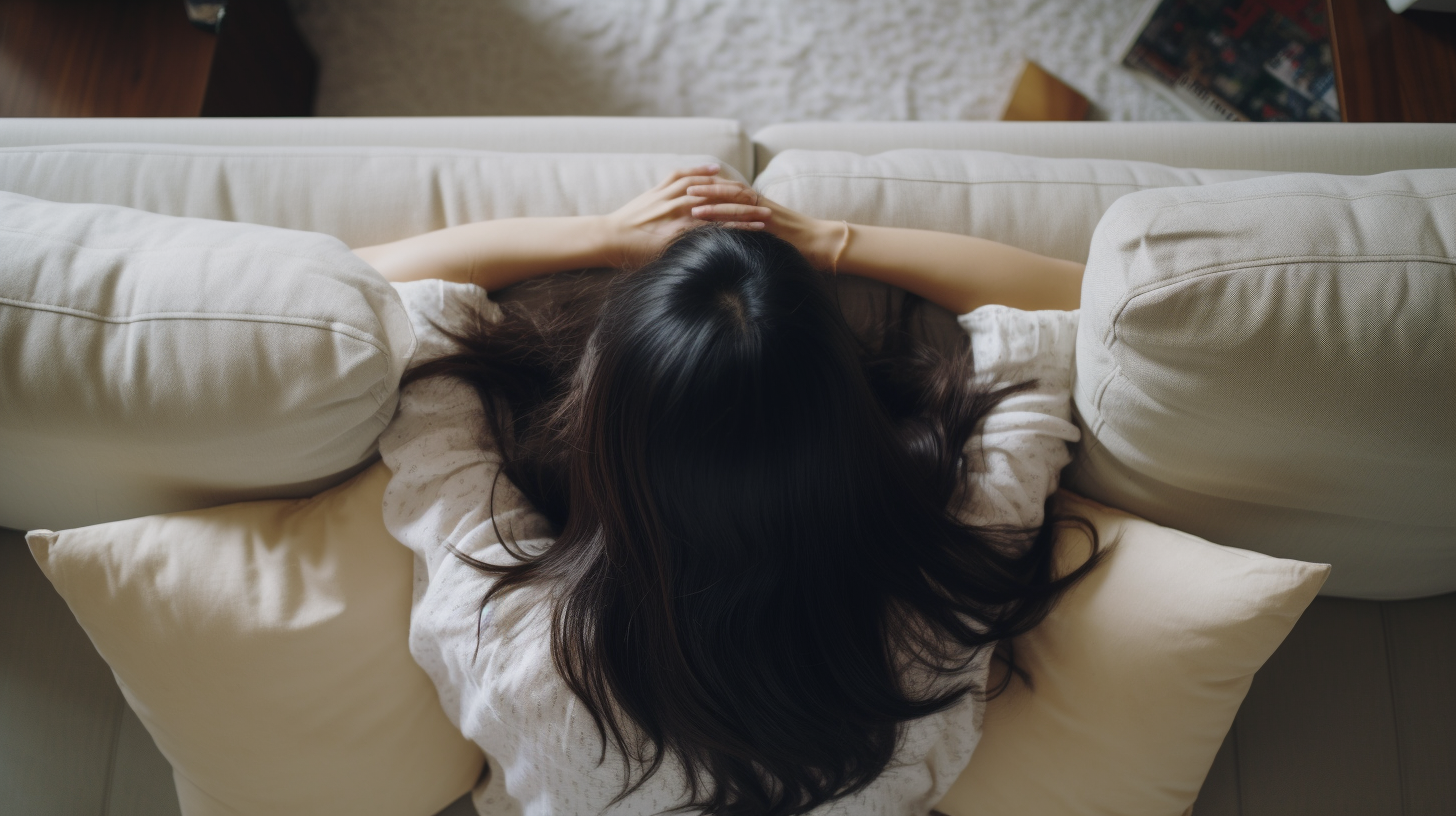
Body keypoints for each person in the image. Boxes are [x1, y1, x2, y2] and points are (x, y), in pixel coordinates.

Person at [354, 165, 1098, 816]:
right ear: (845, 413)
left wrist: (605, 235)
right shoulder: (941, 603)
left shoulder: (512, 642)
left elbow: (369, 287)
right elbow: (1071, 301)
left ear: (603, 412)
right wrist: (821, 239)